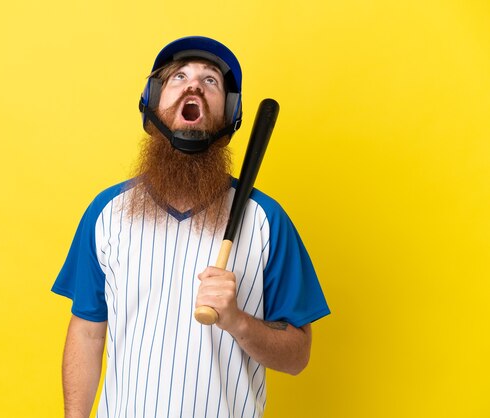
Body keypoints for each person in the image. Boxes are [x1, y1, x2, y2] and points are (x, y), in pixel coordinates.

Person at [52, 36, 330, 418]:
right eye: (178, 77)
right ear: (153, 103)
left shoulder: (266, 220)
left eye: (210, 80)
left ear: (229, 114)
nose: (194, 85)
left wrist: (237, 321)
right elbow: (86, 331)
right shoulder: (107, 213)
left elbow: (297, 356)